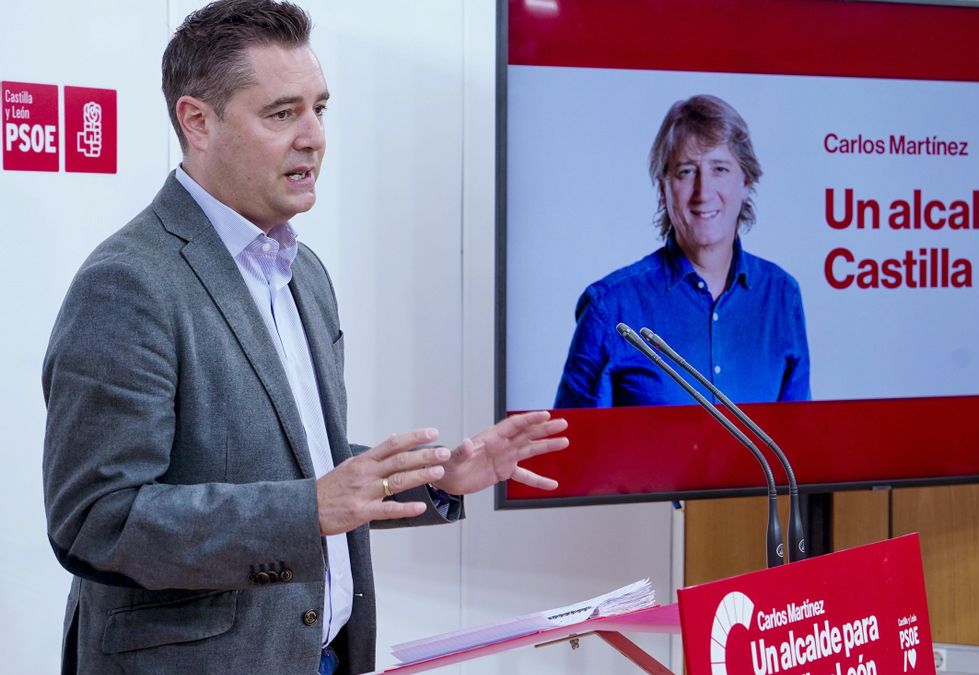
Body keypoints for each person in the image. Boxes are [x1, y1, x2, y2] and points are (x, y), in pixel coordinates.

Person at [41, 1, 567, 673]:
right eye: (282, 114)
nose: (314, 136)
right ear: (197, 122)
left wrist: (437, 476)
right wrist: (307, 508)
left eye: (321, 109)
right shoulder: (129, 284)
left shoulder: (302, 271)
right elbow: (97, 519)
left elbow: (295, 457)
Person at [554, 94, 811, 408]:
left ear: (745, 182)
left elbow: (796, 448)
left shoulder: (782, 296)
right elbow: (575, 451)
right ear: (663, 189)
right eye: (687, 171)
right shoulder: (609, 308)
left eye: (720, 169)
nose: (703, 193)